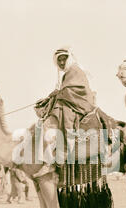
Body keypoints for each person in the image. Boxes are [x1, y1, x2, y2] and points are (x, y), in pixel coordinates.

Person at [32, 46, 97, 178]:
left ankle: (49, 163)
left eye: (64, 59)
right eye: (59, 60)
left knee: (48, 126)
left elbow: (76, 91)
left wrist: (58, 94)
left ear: (69, 58)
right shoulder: (68, 73)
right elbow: (66, 91)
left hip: (78, 105)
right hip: (70, 103)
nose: (61, 62)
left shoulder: (75, 70)